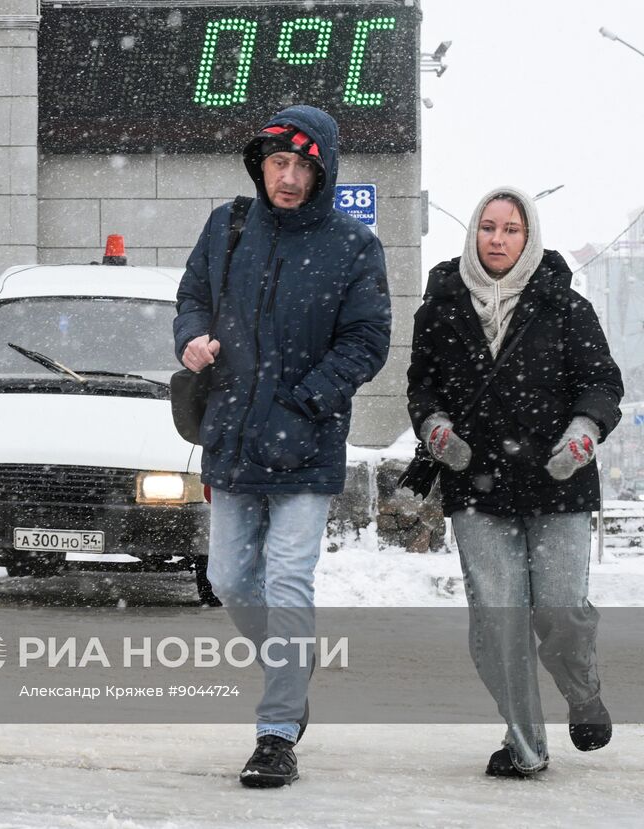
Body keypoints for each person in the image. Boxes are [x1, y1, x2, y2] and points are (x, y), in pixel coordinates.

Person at [173, 105, 391, 787]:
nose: (288, 178)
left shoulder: (354, 245)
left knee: (289, 578)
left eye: (301, 166)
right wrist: (191, 337)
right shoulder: (228, 226)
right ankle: (291, 662)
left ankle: (276, 732)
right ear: (260, 165)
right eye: (278, 163)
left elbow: (368, 341)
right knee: (229, 579)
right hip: (232, 434)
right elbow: (191, 297)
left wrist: (305, 400)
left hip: (307, 444)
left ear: (322, 173)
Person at [406, 187, 621, 777]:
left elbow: (602, 382)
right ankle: (525, 745)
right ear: (473, 233)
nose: (497, 239)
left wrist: (582, 434)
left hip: (558, 480)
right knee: (498, 623)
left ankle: (581, 690)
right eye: (488, 228)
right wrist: (435, 427)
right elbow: (422, 387)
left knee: (560, 611)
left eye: (511, 229)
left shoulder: (566, 306)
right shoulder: (440, 307)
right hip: (475, 483)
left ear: (529, 238)